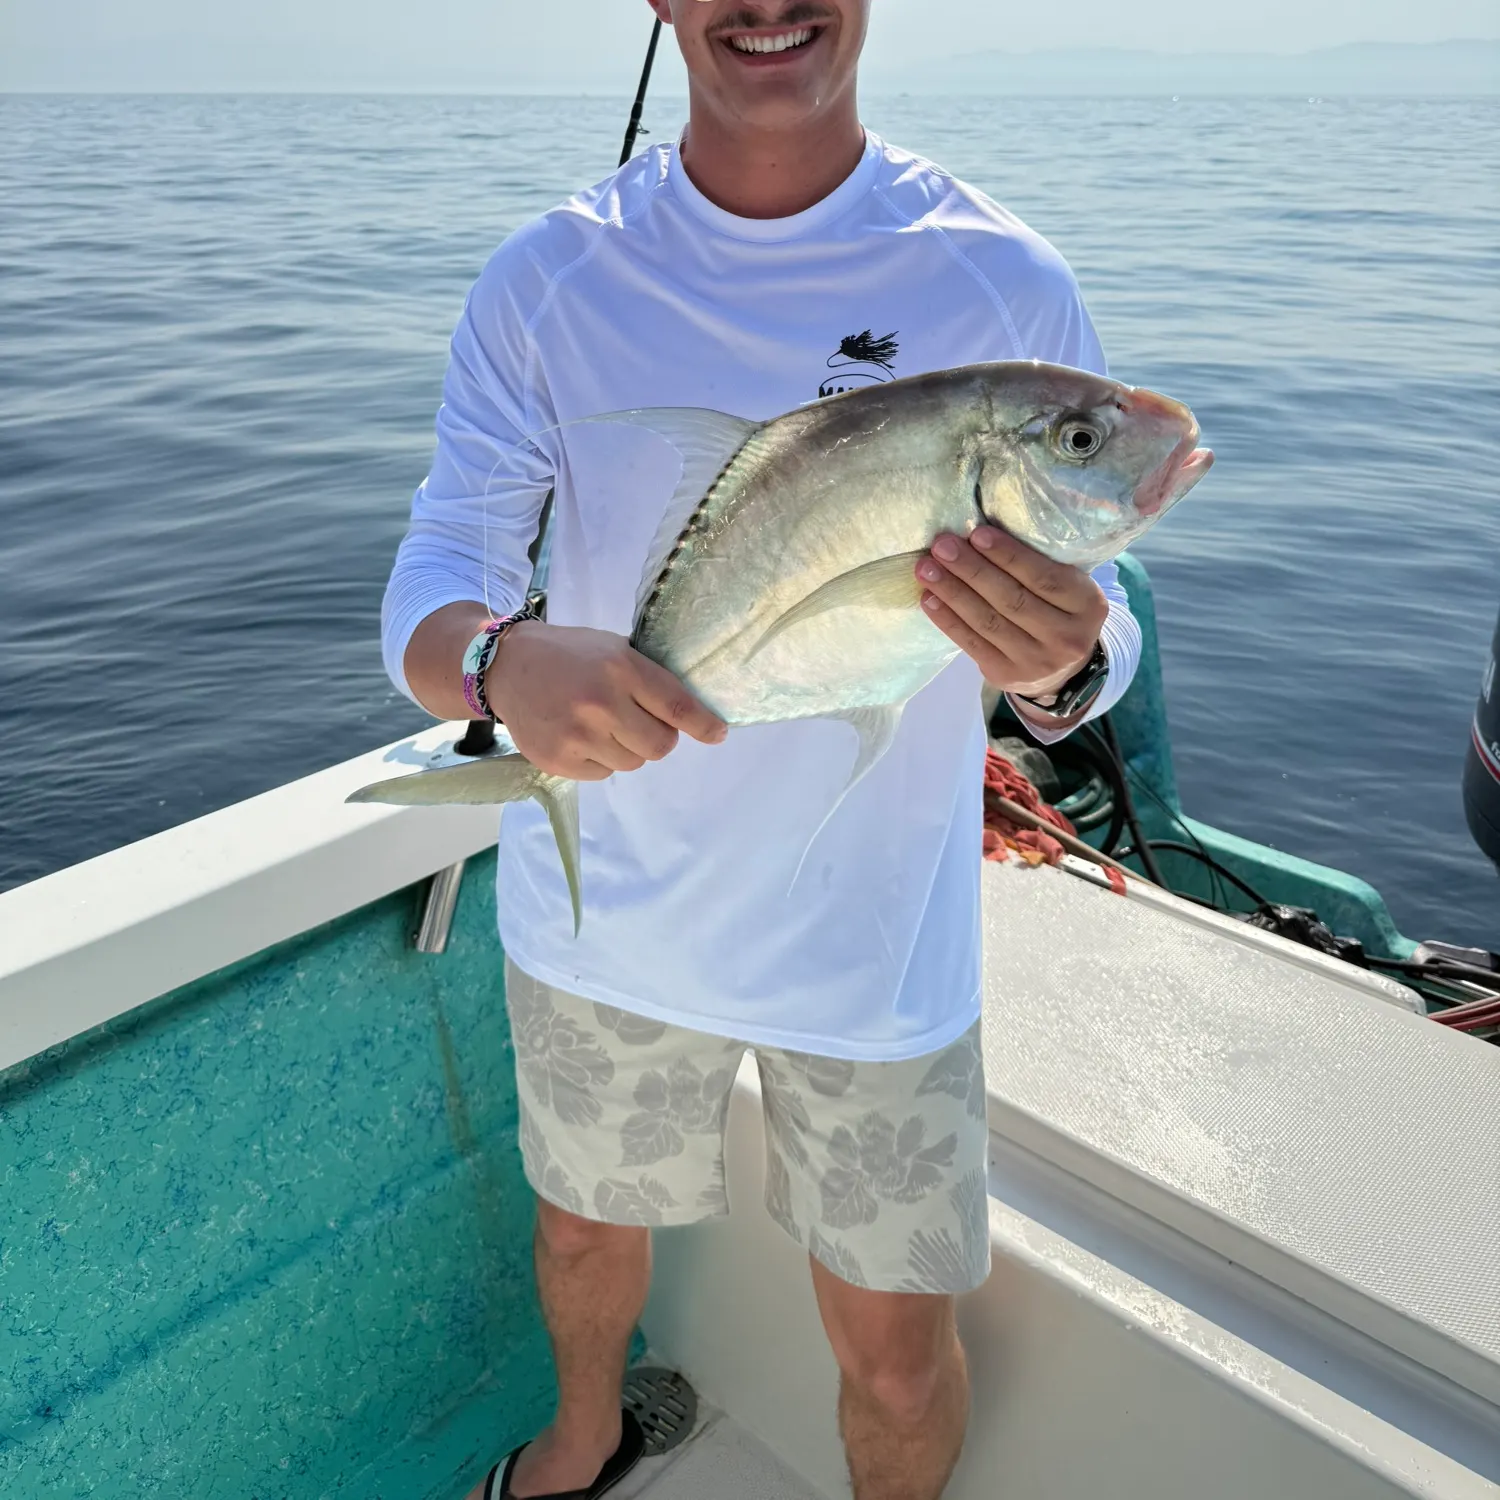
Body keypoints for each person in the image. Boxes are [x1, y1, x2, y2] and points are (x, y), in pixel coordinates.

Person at [381, 3, 1141, 1496]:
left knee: (898, 1352)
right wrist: (499, 659)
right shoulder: (551, 278)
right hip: (607, 914)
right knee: (583, 1233)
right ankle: (584, 1442)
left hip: (874, 941)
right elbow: (432, 588)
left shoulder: (1000, 280)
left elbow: (1102, 635)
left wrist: (1059, 666)